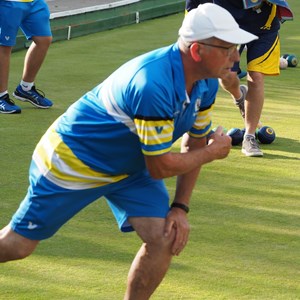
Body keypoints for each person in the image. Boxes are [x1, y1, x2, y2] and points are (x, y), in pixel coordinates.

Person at [0, 4, 257, 299]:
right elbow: (161, 166)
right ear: (198, 51)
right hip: (73, 159)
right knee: (16, 246)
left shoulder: (207, 83)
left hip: (131, 164)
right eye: (228, 48)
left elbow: (195, 141)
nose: (236, 57)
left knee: (163, 237)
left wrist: (180, 207)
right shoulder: (153, 84)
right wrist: (213, 153)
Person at [186, 0, 293, 157]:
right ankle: (239, 97)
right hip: (229, 24)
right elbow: (193, 6)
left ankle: (249, 137)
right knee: (226, 76)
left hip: (264, 24)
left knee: (256, 77)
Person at [0, 0, 53, 114]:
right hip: (8, 3)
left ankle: (25, 88)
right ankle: (1, 96)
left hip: (34, 2)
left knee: (44, 40)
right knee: (4, 46)